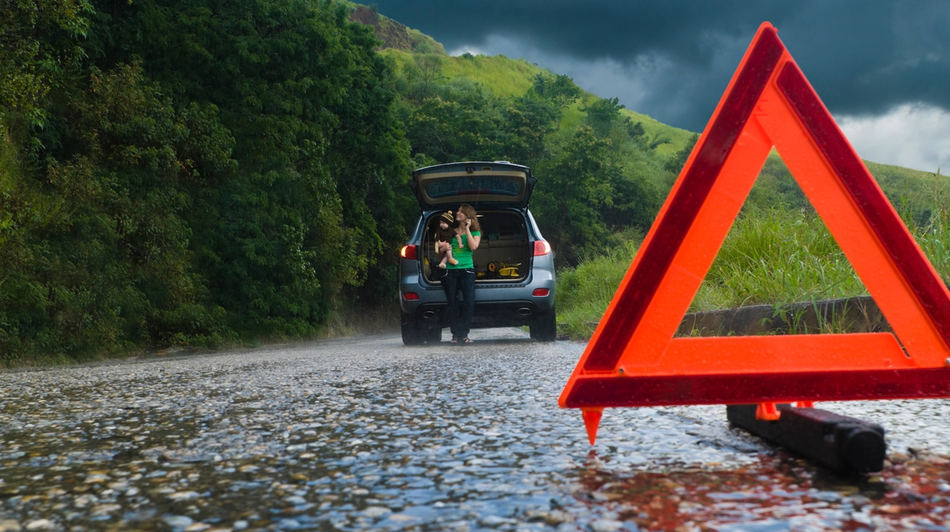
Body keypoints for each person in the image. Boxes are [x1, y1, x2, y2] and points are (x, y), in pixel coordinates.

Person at [441, 204, 481, 344]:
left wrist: (468, 229)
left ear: (467, 215)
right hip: (451, 270)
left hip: (467, 270)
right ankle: (455, 335)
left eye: (460, 212)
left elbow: (473, 247)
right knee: (453, 303)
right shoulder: (451, 231)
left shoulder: (475, 233)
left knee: (469, 302)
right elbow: (441, 250)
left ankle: (463, 334)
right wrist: (443, 247)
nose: (457, 213)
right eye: (458, 211)